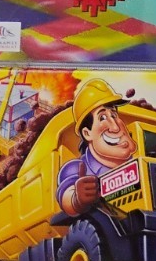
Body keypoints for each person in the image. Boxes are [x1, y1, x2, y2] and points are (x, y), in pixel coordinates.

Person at [57, 78, 137, 216]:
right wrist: (77, 199)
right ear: (87, 133)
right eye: (102, 118)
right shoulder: (78, 168)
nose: (115, 127)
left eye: (114, 115)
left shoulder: (136, 162)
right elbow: (67, 195)